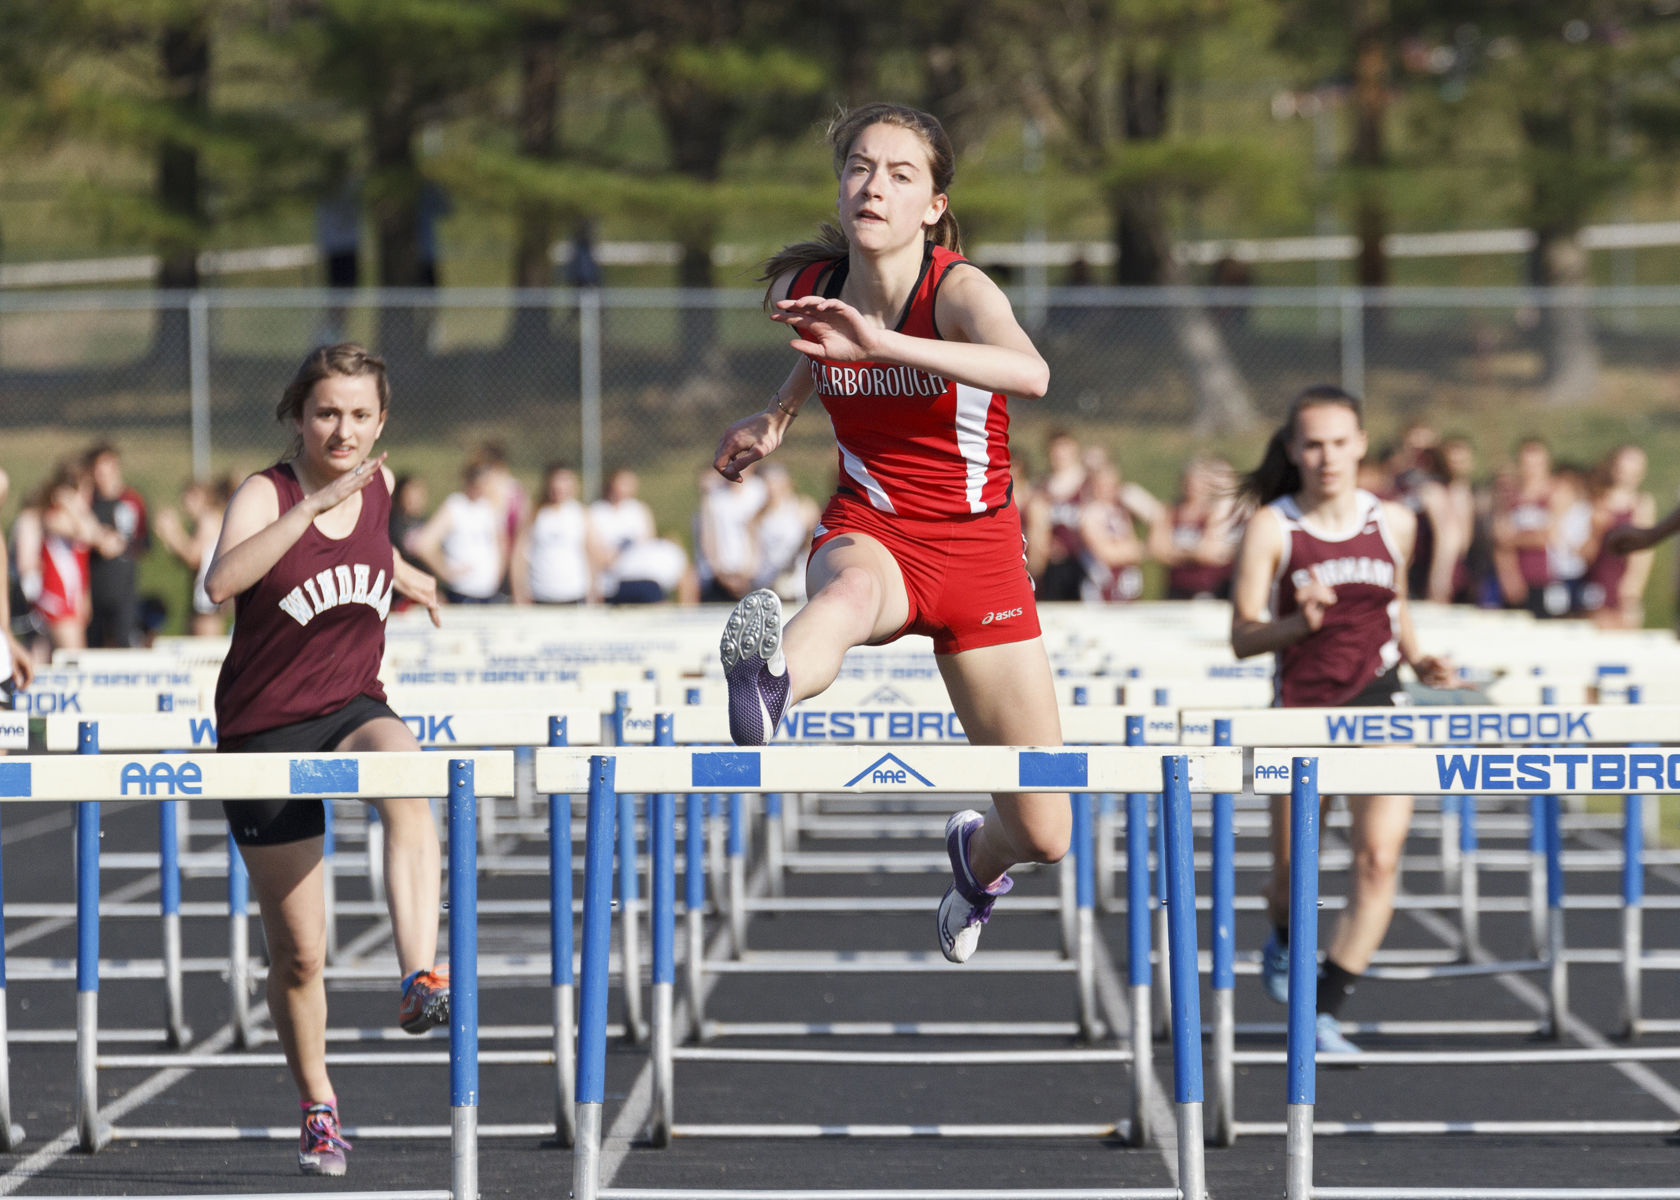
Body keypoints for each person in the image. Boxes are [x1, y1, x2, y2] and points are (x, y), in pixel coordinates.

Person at [710, 102, 1068, 965]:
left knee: (1045, 832)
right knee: (850, 592)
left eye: (901, 175)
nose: (875, 186)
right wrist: (779, 415)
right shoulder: (811, 291)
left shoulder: (960, 289)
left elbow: (1031, 373)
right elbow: (820, 344)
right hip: (873, 526)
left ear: (934, 206)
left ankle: (977, 861)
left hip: (981, 555)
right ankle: (769, 685)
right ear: (841, 190)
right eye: (861, 168)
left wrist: (887, 345)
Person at [203, 343, 448, 1178]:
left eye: (359, 415)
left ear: (382, 422)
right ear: (299, 417)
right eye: (327, 414)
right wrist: (312, 508)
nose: (343, 431)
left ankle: (418, 974)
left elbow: (365, 552)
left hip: (351, 706)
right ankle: (318, 1106)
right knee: (302, 953)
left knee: (407, 772)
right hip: (263, 728)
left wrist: (408, 575)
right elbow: (220, 584)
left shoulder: (380, 485)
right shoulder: (265, 493)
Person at [1228, 385, 1453, 1054]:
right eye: (1313, 445)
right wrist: (1299, 624)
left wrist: (1421, 659)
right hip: (1301, 714)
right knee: (1292, 878)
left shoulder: (1396, 521)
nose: (1327, 457)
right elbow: (1242, 636)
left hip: (1381, 707)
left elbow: (1396, 606)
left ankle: (1323, 1009)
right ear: (1293, 450)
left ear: (1360, 445)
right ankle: (1283, 930)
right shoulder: (1274, 526)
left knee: (1379, 861)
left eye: (1339, 443)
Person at [409, 459, 508, 604]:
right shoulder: (455, 505)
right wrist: (446, 571)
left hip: (489, 592)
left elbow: (499, 544)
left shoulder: (488, 508)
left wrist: (497, 574)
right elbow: (424, 544)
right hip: (463, 593)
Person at [84, 442, 150, 648]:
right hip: (93, 591)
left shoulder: (131, 501)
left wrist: (120, 543)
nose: (102, 476)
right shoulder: (88, 502)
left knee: (124, 643)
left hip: (123, 590)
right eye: (98, 471)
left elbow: (142, 542)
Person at [1582, 445, 1656, 628]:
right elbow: (1585, 551)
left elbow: (1643, 553)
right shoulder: (1597, 500)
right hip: (1596, 581)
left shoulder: (1642, 504)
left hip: (1623, 584)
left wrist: (1633, 587)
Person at [1151, 455, 1241, 600]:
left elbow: (1209, 552)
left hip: (1208, 590)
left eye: (1199, 481)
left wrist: (1175, 553)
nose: (1193, 486)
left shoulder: (1214, 512)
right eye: (1190, 481)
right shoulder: (1170, 511)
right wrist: (1193, 553)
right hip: (1175, 589)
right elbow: (1157, 550)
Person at [154, 477, 233, 637]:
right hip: (200, 604)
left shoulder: (208, 520)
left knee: (204, 650)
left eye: (189, 496)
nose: (184, 502)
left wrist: (172, 532)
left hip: (208, 608)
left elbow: (193, 557)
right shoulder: (201, 522)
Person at [1492, 437, 1561, 617]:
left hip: (1549, 579)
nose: (1531, 469)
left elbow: (1549, 537)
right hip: (1519, 580)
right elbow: (1500, 541)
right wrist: (1509, 576)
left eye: (1537, 464)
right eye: (1527, 464)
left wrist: (1514, 539)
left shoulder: (1556, 493)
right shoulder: (1509, 497)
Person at [512, 462, 598, 605]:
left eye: (565, 481)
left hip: (575, 593)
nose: (560, 487)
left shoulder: (581, 514)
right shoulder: (535, 513)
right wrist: (519, 593)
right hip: (540, 594)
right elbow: (519, 556)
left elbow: (591, 554)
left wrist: (593, 591)